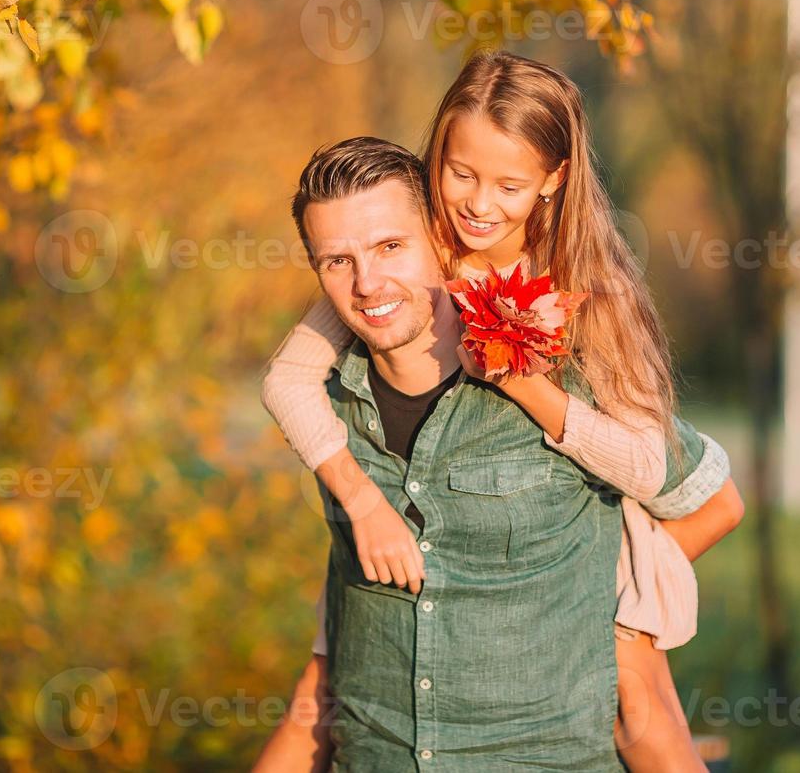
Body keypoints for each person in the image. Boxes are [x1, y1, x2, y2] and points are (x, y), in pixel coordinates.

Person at [258, 52, 744, 771]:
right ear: (433, 168)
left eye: (508, 184)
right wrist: (362, 502)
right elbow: (289, 377)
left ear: (553, 181)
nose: (478, 205)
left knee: (644, 701)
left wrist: (606, 609)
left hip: (550, 720)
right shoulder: (403, 259)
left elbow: (676, 480)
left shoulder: (585, 300)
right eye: (460, 175)